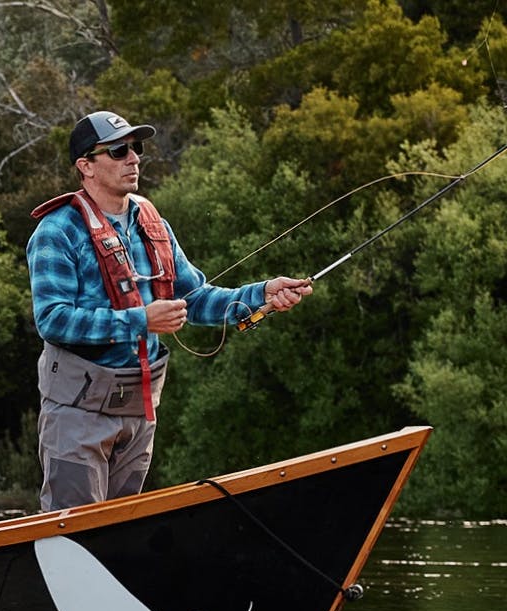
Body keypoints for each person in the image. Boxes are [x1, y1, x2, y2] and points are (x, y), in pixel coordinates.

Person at [26, 110, 312, 512]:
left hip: (139, 414)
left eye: (136, 148)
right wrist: (142, 320)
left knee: (120, 540)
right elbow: (53, 321)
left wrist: (262, 293)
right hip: (77, 414)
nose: (134, 158)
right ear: (85, 166)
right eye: (118, 150)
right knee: (73, 538)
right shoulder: (56, 231)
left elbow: (195, 299)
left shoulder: (150, 220)